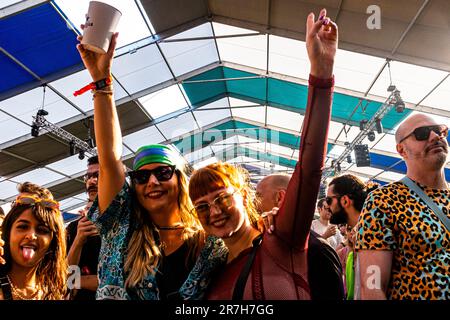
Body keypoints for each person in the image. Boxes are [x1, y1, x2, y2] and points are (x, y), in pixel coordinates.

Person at [188, 8, 338, 299]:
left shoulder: (281, 239)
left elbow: (308, 169)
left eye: (221, 198)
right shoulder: (207, 273)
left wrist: (321, 74)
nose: (215, 212)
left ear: (243, 196)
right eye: (203, 207)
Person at [76, 28, 227, 300]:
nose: (152, 182)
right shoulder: (122, 226)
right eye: (142, 177)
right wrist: (101, 81)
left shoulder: (209, 240)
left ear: (180, 179)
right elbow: (110, 158)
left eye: (163, 173)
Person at [356, 114, 450, 300]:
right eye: (422, 133)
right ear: (402, 150)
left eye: (439, 131)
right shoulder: (383, 200)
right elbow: (372, 287)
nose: (435, 136)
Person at [256, 174, 344, 300]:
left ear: (280, 197)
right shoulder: (261, 241)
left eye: (258, 196)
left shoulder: (318, 250)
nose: (253, 202)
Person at [0, 182, 67, 300]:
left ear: (53, 242)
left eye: (42, 230)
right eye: (23, 227)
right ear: (8, 232)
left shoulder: (54, 294)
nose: (31, 236)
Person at [325, 174, 376, 299]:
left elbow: (373, 289)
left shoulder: (370, 235)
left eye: (329, 200)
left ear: (345, 201)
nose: (327, 206)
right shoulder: (358, 236)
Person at [66, 155, 101, 300]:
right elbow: (68, 275)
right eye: (88, 176)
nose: (92, 181)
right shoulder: (76, 227)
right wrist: (78, 240)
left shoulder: (129, 220)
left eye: (98, 175)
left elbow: (132, 280)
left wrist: (79, 281)